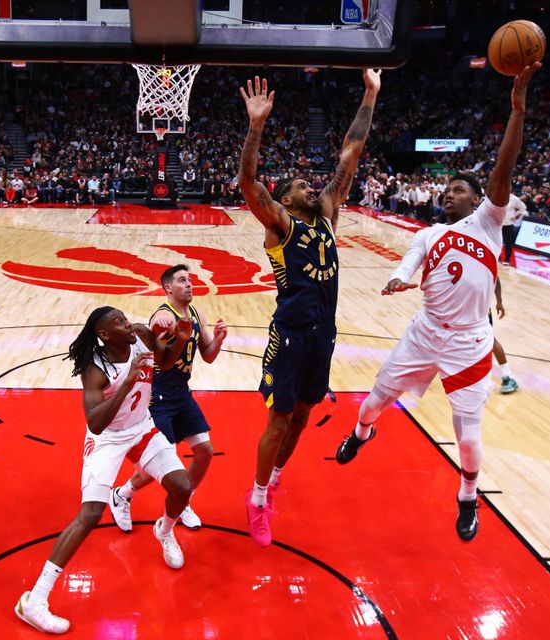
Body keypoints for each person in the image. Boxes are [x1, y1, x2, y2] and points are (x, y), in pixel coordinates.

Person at [334, 63, 541, 542]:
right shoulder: (428, 233)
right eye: (446, 189)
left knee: (468, 437)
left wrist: (517, 108)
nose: (449, 195)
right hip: (424, 332)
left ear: (478, 200)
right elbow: (408, 261)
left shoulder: (490, 223)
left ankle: (468, 495)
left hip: (469, 343)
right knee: (370, 405)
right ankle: (362, 435)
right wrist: (397, 279)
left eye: (459, 190)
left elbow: (503, 167)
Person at [237, 70, 381, 547]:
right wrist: (256, 125)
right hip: (292, 331)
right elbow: (247, 181)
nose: (310, 186)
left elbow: (350, 152)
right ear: (285, 199)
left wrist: (369, 93)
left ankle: (275, 480)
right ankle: (256, 499)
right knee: (278, 419)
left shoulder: (328, 216)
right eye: (300, 184)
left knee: (301, 417)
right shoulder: (280, 225)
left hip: (324, 334)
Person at [15, 307, 193, 634]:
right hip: (108, 440)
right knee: (90, 513)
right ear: (105, 335)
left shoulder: (141, 335)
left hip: (142, 429)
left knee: (182, 487)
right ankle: (34, 600)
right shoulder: (95, 369)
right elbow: (96, 424)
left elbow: (165, 361)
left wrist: (179, 341)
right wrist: (126, 381)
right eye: (119, 323)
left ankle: (164, 532)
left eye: (125, 318)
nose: (128, 323)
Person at [109, 265, 228, 532]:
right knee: (161, 462)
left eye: (190, 280)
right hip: (158, 396)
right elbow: (155, 331)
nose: (189, 284)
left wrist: (218, 339)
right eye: (182, 280)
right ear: (168, 289)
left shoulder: (196, 313)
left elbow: (208, 355)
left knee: (205, 451)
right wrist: (158, 328)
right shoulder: (165, 315)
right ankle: (122, 494)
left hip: (182, 393)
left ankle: (184, 500)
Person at [492, 277, 519, 394]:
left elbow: (495, 278)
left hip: (479, 312)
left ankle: (507, 376)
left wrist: (499, 302)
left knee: (489, 340)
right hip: (456, 309)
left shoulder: (483, 262)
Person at [501, 192, 527, 264]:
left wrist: (516, 217)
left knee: (507, 242)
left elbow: (523, 207)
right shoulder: (498, 196)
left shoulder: (514, 199)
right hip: (498, 223)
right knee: (497, 241)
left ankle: (507, 259)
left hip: (508, 223)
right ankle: (497, 257)